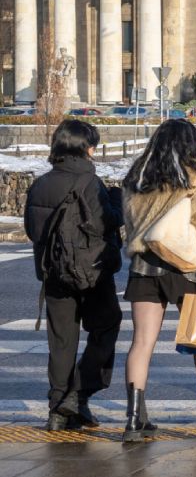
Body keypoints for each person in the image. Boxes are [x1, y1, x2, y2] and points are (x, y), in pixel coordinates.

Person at [120, 120, 196, 441]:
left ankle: (133, 419)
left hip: (144, 267)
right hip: (188, 271)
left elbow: (130, 225)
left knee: (142, 343)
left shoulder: (139, 175)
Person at [23, 120, 123, 430]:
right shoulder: (90, 183)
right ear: (84, 148)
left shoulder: (41, 184)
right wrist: (117, 201)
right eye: (92, 143)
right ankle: (78, 395)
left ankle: (57, 408)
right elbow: (105, 222)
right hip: (91, 272)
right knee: (107, 325)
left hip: (53, 273)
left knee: (61, 340)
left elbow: (33, 230)